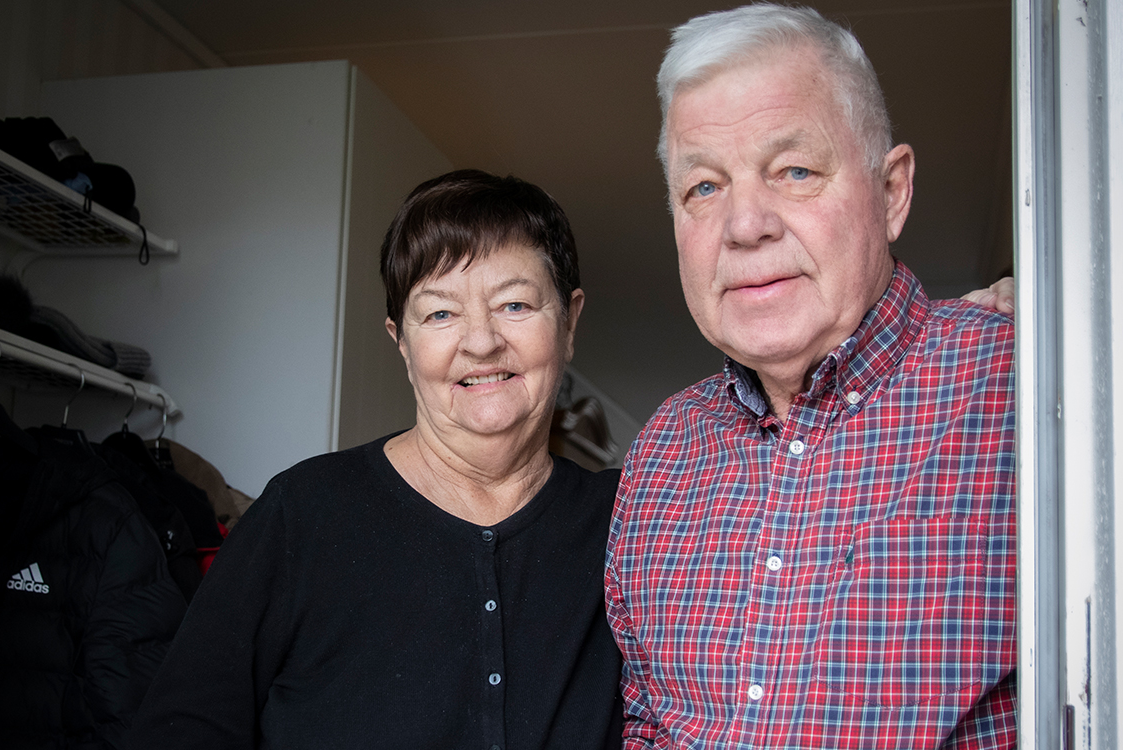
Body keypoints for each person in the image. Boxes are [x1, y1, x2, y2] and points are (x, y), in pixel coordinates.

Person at [604, 5, 1016, 749]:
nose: (744, 223)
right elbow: (648, 724)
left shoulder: (1029, 384)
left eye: (793, 170)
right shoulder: (661, 451)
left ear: (891, 192)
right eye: (704, 187)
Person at [126, 169, 622, 750]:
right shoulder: (304, 516)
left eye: (514, 304)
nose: (481, 342)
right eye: (440, 313)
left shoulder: (627, 524)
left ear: (569, 322)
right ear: (401, 342)